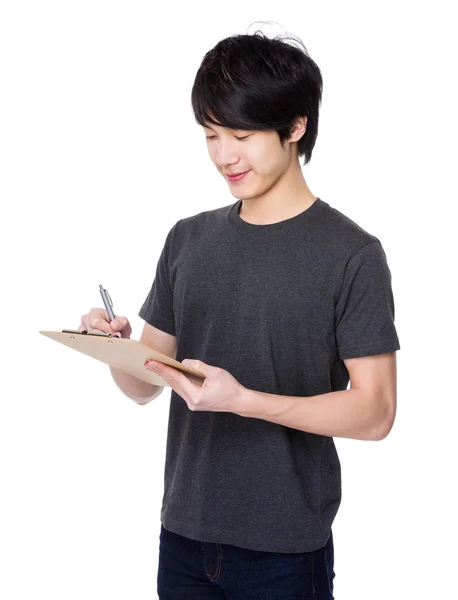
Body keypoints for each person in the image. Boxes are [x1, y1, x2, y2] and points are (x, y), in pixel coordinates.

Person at [80, 30, 400, 599]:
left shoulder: (351, 253)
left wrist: (243, 401)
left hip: (284, 550)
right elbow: (143, 387)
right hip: (182, 536)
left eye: (242, 135)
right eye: (210, 134)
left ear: (296, 126)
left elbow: (375, 412)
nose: (224, 155)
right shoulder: (189, 239)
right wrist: (112, 348)